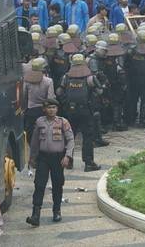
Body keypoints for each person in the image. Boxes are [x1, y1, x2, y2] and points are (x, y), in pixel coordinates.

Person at [26, 98, 74, 226]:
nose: (51, 110)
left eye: (54, 107)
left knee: (57, 185)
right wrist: (32, 158)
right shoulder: (40, 122)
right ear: (44, 109)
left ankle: (56, 211)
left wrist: (67, 156)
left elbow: (70, 140)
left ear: (57, 109)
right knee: (39, 185)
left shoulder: (63, 122)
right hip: (43, 158)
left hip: (58, 158)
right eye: (49, 108)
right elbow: (35, 142)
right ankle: (35, 214)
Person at [56, 54, 102, 172]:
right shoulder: (90, 77)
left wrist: (66, 104)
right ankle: (88, 163)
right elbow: (100, 91)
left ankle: (69, 161)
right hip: (86, 111)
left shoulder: (66, 77)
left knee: (70, 136)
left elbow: (59, 92)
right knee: (87, 137)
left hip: (71, 111)